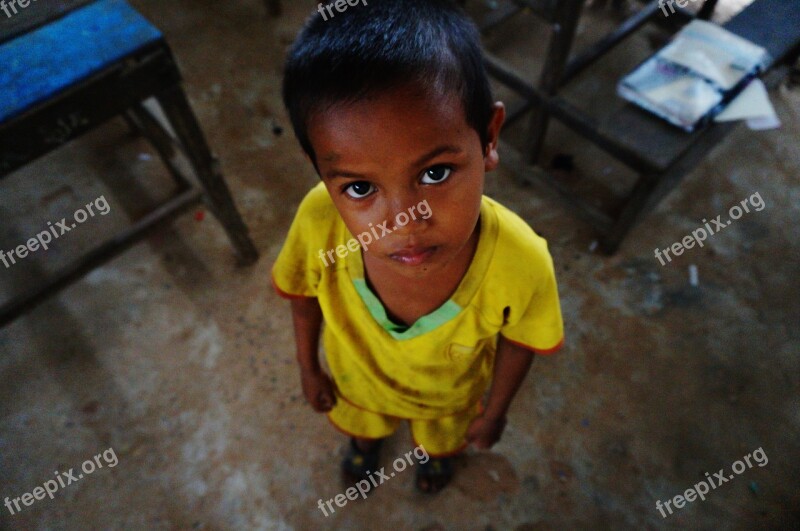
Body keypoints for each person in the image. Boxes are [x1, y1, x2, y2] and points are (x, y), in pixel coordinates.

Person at [272, 0, 564, 493]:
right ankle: (365, 445)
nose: (403, 222)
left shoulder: (522, 260)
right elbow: (303, 296)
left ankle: (433, 455)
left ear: (489, 137)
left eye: (435, 173)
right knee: (365, 430)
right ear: (320, 168)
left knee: (438, 440)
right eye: (360, 188)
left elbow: (520, 342)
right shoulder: (319, 219)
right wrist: (309, 367)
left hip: (447, 401)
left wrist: (495, 413)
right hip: (356, 383)